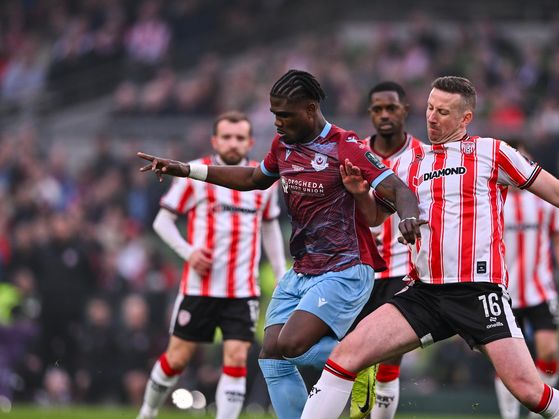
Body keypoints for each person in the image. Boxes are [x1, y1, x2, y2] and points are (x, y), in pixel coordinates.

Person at [300, 76, 559, 419]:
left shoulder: (493, 152)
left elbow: (558, 192)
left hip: (478, 292)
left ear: (465, 118)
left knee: (530, 391)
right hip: (424, 294)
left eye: (442, 111)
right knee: (345, 356)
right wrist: (356, 192)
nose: (431, 117)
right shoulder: (409, 162)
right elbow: (373, 218)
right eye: (429, 108)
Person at [137, 69, 422, 419]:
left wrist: (409, 217)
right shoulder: (283, 146)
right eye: (274, 114)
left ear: (310, 108)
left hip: (346, 267)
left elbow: (400, 190)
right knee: (271, 356)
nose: (277, 122)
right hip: (303, 269)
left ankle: (360, 360)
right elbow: (254, 178)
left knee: (291, 344)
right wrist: (187, 170)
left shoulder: (345, 146)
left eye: (284, 114)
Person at [137, 111, 287, 419]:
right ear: (215, 141)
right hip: (199, 286)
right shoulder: (195, 174)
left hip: (243, 289)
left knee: (235, 356)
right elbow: (162, 221)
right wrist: (188, 251)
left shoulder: (264, 180)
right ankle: (147, 413)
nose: (233, 143)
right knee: (177, 359)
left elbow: (270, 225)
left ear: (250, 141)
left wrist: (281, 269)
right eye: (227, 137)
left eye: (240, 138)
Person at [349, 81, 423, 419]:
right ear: (370, 113)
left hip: (403, 271)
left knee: (390, 357)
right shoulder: (354, 153)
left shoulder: (423, 156)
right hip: (360, 270)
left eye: (391, 108)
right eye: (377, 109)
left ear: (405, 110)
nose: (384, 115)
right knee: (355, 355)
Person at [495, 142, 559, 419]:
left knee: (550, 351)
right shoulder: (493, 197)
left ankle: (539, 414)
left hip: (540, 290)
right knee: (506, 361)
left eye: (523, 158)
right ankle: (510, 416)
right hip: (504, 293)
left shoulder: (545, 199)